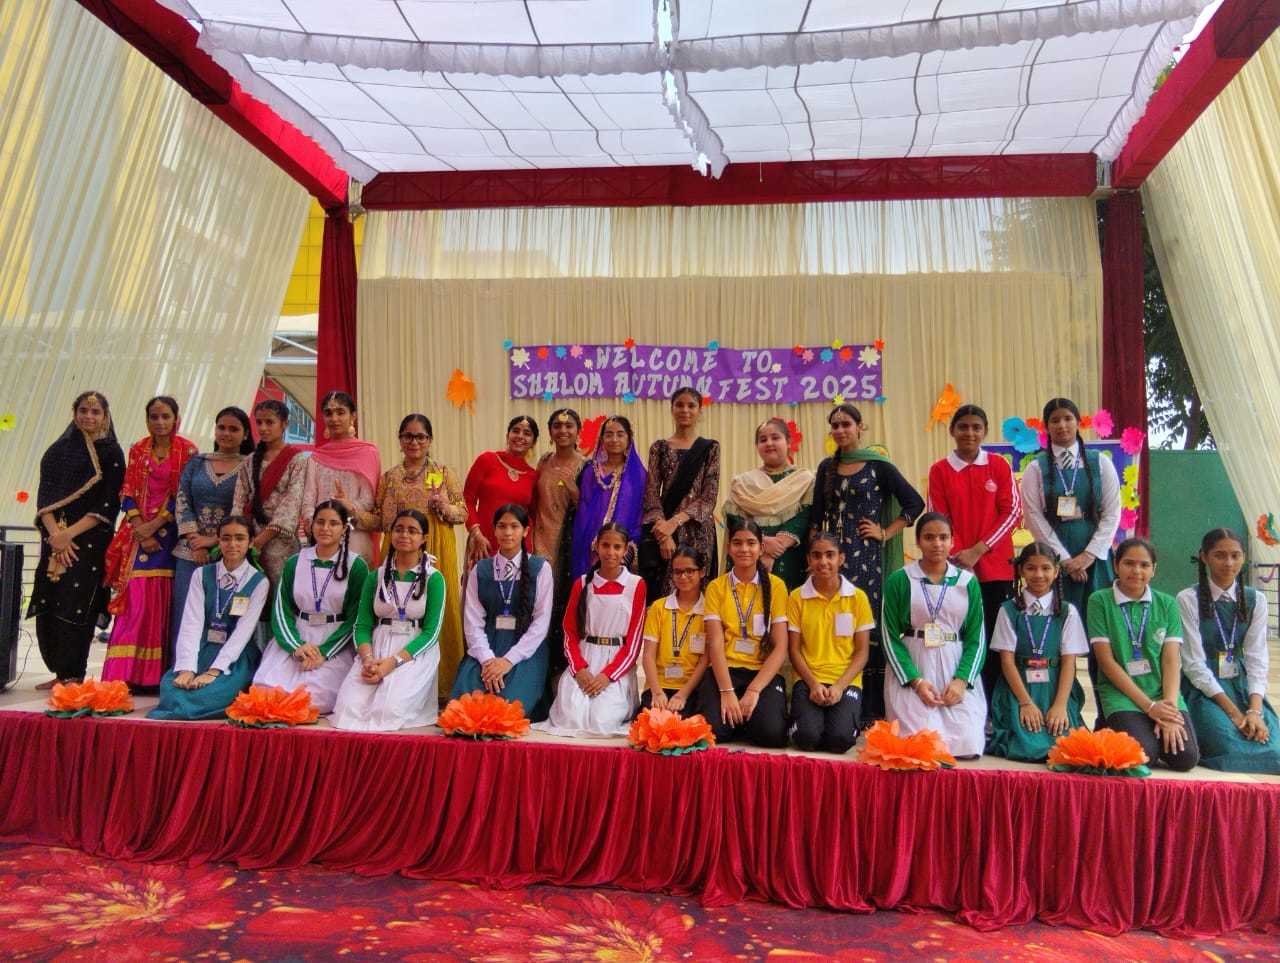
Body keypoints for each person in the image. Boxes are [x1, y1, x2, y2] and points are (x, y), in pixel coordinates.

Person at [810, 403, 924, 722]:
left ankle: (870, 708)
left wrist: (885, 532)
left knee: (865, 626)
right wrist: (813, 557)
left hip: (867, 561)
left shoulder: (878, 466)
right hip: (831, 560)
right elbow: (817, 516)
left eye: (846, 424)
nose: (840, 430)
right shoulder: (826, 467)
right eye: (835, 425)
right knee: (835, 625)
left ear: (860, 427)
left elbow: (914, 503)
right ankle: (835, 699)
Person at [27, 391, 125, 688]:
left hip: (89, 542)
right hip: (54, 540)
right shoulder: (58, 451)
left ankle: (73, 674)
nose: (89, 417)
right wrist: (56, 536)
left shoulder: (111, 453)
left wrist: (68, 535)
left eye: (95, 412)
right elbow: (45, 500)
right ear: (74, 413)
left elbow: (108, 504)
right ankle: (58, 672)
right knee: (50, 599)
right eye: (83, 410)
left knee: (77, 603)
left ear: (105, 416)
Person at [101, 396, 198, 689]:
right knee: (135, 600)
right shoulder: (138, 449)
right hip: (138, 535)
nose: (160, 422)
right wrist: (140, 527)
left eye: (165, 416)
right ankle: (124, 675)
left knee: (163, 601)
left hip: (170, 537)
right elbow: (127, 490)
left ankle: (154, 676)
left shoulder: (188, 451)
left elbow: (184, 494)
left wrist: (154, 527)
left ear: (176, 418)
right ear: (147, 420)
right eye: (154, 417)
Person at [926, 404, 1020, 705]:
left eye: (976, 427)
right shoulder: (939, 470)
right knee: (957, 637)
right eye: (963, 426)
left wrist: (978, 550)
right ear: (952, 431)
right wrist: (957, 556)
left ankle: (993, 708)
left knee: (994, 640)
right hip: (955, 571)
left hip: (996, 570)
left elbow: (1012, 512)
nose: (969, 432)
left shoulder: (999, 466)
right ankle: (959, 702)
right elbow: (936, 519)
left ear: (985, 431)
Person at [374, 413, 467, 697]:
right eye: (408, 436)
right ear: (400, 440)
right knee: (396, 607)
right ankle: (392, 673)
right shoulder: (390, 477)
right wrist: (350, 511)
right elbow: (380, 520)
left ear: (430, 440)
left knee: (440, 611)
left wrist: (444, 505)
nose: (414, 442)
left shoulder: (443, 472)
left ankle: (444, 685)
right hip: (399, 547)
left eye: (420, 437)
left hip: (436, 545)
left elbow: (462, 512)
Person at [1087, 538, 1199, 771]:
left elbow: (1171, 661)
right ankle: (1114, 726)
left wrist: (1168, 710)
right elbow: (1106, 662)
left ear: (1154, 569)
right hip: (1121, 694)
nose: (1136, 571)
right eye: (1129, 563)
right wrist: (1149, 707)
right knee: (1144, 754)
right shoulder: (1099, 600)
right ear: (1116, 565)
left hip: (1161, 692)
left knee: (1186, 758)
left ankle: (1144, 730)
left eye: (1144, 565)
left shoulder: (1167, 603)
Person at [881, 513, 987, 758]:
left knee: (967, 743)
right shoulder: (900, 579)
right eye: (929, 537)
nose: (937, 544)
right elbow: (889, 636)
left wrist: (962, 681)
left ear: (952, 541)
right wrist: (916, 681)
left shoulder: (967, 582)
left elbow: (977, 639)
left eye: (943, 537)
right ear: (918, 541)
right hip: (914, 665)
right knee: (919, 744)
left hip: (954, 665)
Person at [331, 509, 446, 732]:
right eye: (399, 529)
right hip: (377, 648)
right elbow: (362, 625)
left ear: (424, 538)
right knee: (348, 708)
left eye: (412, 531)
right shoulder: (376, 576)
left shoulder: (434, 579)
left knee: (389, 710)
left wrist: (392, 663)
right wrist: (368, 659)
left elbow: (431, 633)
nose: (404, 535)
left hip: (413, 652)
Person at [1177, 529, 1280, 773]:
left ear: (1244, 557)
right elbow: (1193, 664)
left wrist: (1254, 711)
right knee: (1228, 745)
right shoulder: (1188, 599)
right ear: (1204, 557)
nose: (1229, 563)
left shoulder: (1256, 600)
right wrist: (1234, 714)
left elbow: (1256, 658)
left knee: (1273, 746)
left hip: (1240, 685)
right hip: (1203, 689)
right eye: (1219, 555)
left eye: (1235, 555)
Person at [254, 502, 370, 713]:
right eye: (320, 522)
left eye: (333, 523)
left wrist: (323, 653)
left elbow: (356, 617)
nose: (325, 528)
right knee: (266, 692)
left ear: (344, 528)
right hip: (297, 636)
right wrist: (296, 647)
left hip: (334, 641)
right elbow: (281, 610)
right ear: (311, 525)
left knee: (314, 698)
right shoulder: (295, 562)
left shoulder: (356, 566)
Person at [149, 516, 269, 720]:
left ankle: (200, 699)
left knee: (215, 693)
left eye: (240, 538)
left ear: (250, 542)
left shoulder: (259, 581)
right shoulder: (201, 574)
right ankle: (188, 697)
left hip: (235, 656)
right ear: (218, 541)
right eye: (226, 538)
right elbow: (191, 623)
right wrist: (187, 668)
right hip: (202, 649)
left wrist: (215, 671)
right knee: (171, 689)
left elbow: (243, 632)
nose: (232, 544)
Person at [536, 523, 646, 737]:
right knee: (571, 717)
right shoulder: (582, 583)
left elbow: (633, 643)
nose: (611, 552)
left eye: (617, 547)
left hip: (615, 663)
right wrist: (579, 670)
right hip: (585, 657)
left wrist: (608, 676)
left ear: (626, 549)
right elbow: (569, 631)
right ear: (596, 546)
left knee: (600, 720)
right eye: (605, 545)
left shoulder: (636, 585)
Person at [986, 542, 1088, 762]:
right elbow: (1007, 662)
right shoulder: (1008, 610)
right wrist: (1025, 703)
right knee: (1027, 747)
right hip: (1019, 687)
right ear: (1021, 570)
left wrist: (1060, 705)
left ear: (1056, 571)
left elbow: (1069, 662)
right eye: (1031, 568)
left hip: (1055, 687)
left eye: (1046, 568)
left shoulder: (1067, 611)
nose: (1039, 575)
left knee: (1065, 744)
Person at [451, 504, 554, 719]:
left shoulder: (540, 569)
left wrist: (508, 661)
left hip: (525, 648)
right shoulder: (481, 569)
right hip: (486, 646)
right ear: (494, 530)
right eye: (502, 526)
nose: (508, 532)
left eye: (514, 526)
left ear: (525, 531)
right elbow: (472, 622)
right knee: (464, 710)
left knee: (506, 710)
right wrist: (488, 661)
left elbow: (541, 624)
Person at [1020, 397, 1120, 616]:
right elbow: (1033, 517)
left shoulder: (1100, 462)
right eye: (1055, 420)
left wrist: (1088, 556)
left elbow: (1112, 513)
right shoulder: (1035, 468)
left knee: (1097, 615)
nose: (1062, 425)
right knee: (1061, 616)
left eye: (1068, 418)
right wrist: (1064, 560)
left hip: (1095, 555)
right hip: (1053, 559)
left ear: (1078, 422)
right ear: (1046, 427)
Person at [698, 519, 789, 747]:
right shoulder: (716, 587)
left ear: (761, 548)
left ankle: (746, 717)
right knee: (713, 733)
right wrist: (727, 691)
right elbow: (715, 643)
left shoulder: (777, 586)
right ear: (729, 548)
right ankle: (738, 718)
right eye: (737, 543)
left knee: (771, 735)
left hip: (761, 672)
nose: (744, 549)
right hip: (725, 671)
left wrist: (754, 690)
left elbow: (780, 647)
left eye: (751, 543)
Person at [786, 532, 875, 753]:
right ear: (808, 559)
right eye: (816, 555)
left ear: (841, 558)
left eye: (830, 555)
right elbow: (794, 651)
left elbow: (862, 652)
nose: (823, 561)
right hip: (808, 679)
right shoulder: (796, 597)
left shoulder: (858, 598)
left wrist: (839, 686)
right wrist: (813, 684)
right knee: (807, 738)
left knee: (840, 740)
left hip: (846, 681)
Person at [172, 406, 253, 645]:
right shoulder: (197, 462)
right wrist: (195, 541)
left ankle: (216, 666)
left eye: (234, 429)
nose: (226, 433)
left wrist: (215, 542)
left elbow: (247, 507)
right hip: (190, 552)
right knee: (185, 614)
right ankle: (181, 664)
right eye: (221, 427)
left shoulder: (250, 465)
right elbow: (182, 500)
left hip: (229, 553)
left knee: (221, 617)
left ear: (246, 435)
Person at [638, 387, 720, 598]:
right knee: (667, 591)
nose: (685, 410)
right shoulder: (659, 448)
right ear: (672, 409)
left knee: (698, 589)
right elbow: (651, 494)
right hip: (665, 531)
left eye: (691, 406)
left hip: (699, 530)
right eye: (680, 405)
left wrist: (674, 522)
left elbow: (709, 497)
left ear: (700, 410)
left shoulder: (710, 448)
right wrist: (664, 534)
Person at [722, 417, 814, 590]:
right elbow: (735, 519)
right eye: (763, 440)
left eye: (775, 437)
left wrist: (776, 547)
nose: (769, 443)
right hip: (750, 554)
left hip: (791, 557)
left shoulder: (804, 479)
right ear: (757, 446)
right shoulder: (743, 483)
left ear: (788, 442)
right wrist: (762, 544)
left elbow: (805, 516)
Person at [530, 408, 588, 677]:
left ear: (578, 431)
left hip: (567, 545)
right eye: (557, 426)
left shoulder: (586, 466)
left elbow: (590, 509)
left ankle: (561, 670)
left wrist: (575, 492)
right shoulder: (544, 461)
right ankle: (536, 668)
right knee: (538, 604)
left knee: (562, 605)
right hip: (539, 539)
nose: (563, 430)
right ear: (550, 432)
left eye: (569, 426)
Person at [232, 399, 312, 590]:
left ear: (284, 424)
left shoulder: (297, 460)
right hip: (248, 535)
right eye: (259, 422)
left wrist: (262, 539)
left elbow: (292, 502)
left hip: (280, 541)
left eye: (269, 422)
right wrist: (238, 534)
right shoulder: (250, 460)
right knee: (248, 590)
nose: (263, 428)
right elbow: (239, 499)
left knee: (279, 588)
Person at [302, 391, 382, 563]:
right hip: (321, 536)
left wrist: (347, 506)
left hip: (353, 535)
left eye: (340, 412)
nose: (334, 418)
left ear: (353, 416)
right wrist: (315, 525)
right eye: (328, 413)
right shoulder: (316, 457)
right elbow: (308, 499)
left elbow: (368, 501)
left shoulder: (367, 452)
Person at [568, 416, 647, 581]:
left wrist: (626, 542)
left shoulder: (638, 474)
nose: (614, 439)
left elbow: (639, 512)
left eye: (620, 434)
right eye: (609, 434)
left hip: (621, 546)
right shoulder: (591, 471)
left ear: (629, 439)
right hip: (589, 544)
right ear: (602, 439)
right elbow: (584, 509)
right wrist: (591, 541)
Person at [639, 545, 709, 718]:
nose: (683, 577)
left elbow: (705, 660)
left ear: (702, 572)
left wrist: (682, 694)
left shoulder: (709, 609)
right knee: (651, 723)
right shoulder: (659, 607)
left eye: (689, 571)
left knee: (683, 724)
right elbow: (648, 655)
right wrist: (656, 692)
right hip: (659, 685)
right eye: (677, 572)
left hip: (691, 688)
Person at [462, 415, 539, 570]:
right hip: (483, 543)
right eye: (515, 431)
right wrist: (476, 534)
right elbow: (466, 500)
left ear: (533, 442)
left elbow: (533, 515)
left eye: (527, 433)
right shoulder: (487, 460)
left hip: (517, 548)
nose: (520, 436)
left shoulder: (533, 476)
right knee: (481, 583)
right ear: (507, 435)